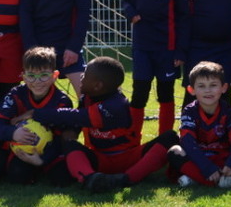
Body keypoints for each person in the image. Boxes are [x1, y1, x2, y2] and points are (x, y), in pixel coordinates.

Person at [35, 57, 155, 193]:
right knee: (70, 144)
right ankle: (91, 179)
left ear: (97, 86)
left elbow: (75, 116)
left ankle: (127, 178)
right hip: (99, 159)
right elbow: (76, 121)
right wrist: (72, 131)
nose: (81, 77)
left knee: (169, 138)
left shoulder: (116, 105)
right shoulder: (86, 98)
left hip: (128, 158)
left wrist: (35, 113)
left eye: (85, 75)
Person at [122, 0, 186, 140]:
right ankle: (133, 139)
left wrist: (180, 51)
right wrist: (130, 12)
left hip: (166, 49)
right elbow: (126, 1)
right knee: (139, 93)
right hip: (142, 47)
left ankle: (165, 140)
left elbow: (183, 16)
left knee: (165, 94)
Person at [0, 46, 74, 186]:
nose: (37, 82)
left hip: (51, 152)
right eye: (31, 76)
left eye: (44, 75)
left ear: (55, 76)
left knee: (63, 178)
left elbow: (61, 137)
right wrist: (13, 133)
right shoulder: (15, 95)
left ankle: (42, 167)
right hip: (22, 151)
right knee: (17, 177)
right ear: (24, 77)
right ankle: (30, 170)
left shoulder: (62, 101)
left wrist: (43, 159)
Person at [167, 61, 231, 188]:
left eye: (213, 85)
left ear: (224, 88)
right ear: (191, 90)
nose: (208, 91)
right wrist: (206, 166)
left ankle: (196, 178)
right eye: (201, 86)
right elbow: (187, 141)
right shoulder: (189, 111)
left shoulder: (228, 112)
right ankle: (219, 181)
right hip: (198, 158)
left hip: (221, 158)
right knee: (174, 152)